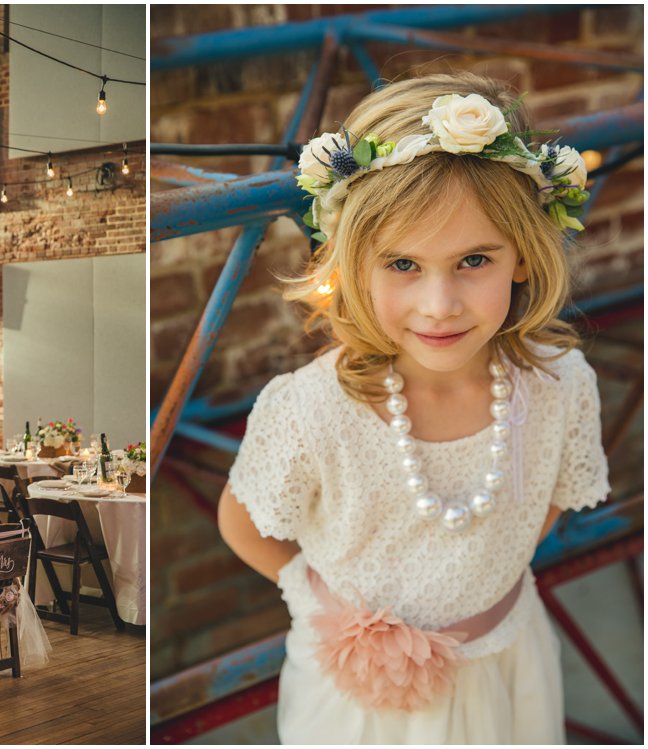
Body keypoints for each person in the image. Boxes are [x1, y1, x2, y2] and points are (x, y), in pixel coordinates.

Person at [217, 72, 610, 744]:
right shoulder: (313, 408)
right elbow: (244, 523)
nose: (439, 304)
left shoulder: (560, 385)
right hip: (362, 701)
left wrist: (479, 572)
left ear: (521, 256)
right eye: (402, 264)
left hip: (504, 665)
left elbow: (541, 499)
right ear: (355, 261)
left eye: (474, 259)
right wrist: (331, 606)